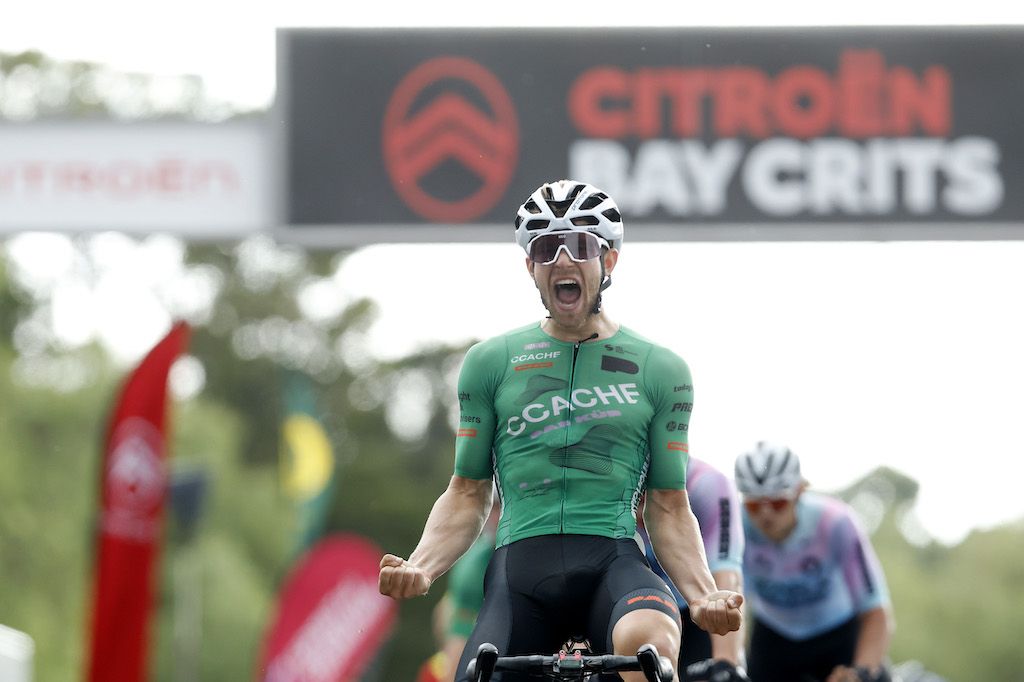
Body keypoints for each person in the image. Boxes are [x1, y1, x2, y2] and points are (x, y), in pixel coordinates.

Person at [378, 179, 743, 682]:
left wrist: (702, 596)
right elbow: (466, 493)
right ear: (530, 265)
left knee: (651, 649)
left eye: (581, 245)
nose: (563, 259)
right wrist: (422, 564)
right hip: (519, 576)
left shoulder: (661, 369)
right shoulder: (490, 362)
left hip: (614, 565)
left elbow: (668, 505)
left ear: (608, 261)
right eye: (547, 248)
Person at [735, 442, 894, 682]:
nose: (765, 515)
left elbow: (875, 610)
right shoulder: (737, 525)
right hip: (774, 638)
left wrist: (862, 673)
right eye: (754, 505)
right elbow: (734, 607)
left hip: (838, 635)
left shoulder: (836, 522)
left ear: (799, 491)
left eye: (778, 503)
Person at [636, 456, 748, 681]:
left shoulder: (708, 484)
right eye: (636, 498)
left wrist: (725, 663)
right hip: (637, 611)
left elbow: (727, 574)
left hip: (695, 614)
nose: (641, 514)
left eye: (647, 495)